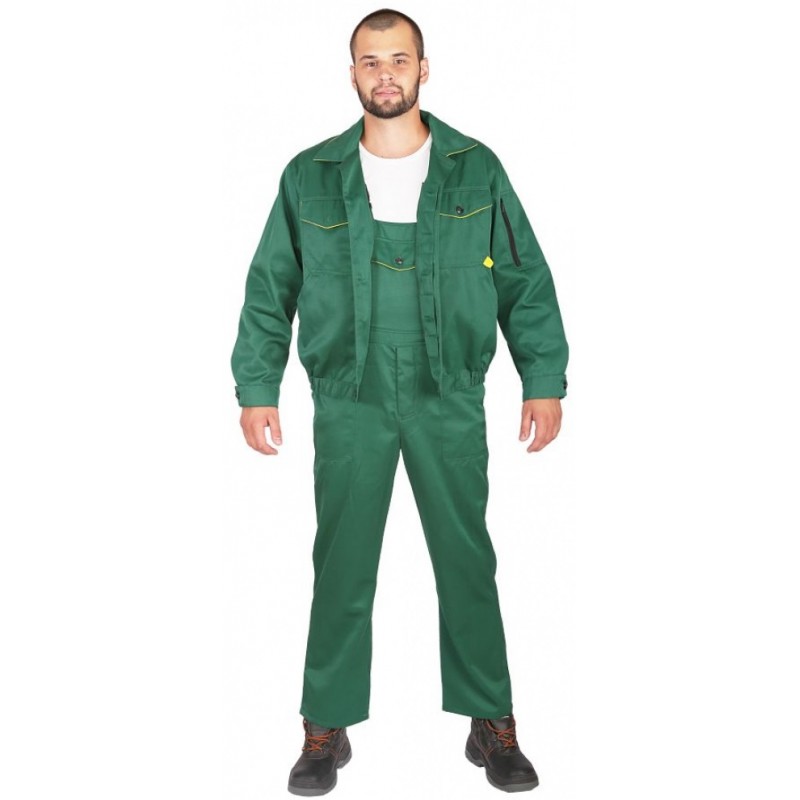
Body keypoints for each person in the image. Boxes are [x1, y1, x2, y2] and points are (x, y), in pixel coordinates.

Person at [231, 8, 569, 795]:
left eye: (399, 59)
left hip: (447, 389)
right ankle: (325, 726)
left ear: (424, 68)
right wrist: (257, 386)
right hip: (348, 394)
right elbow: (270, 287)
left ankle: (492, 721)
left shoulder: (476, 168)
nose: (386, 74)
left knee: (466, 559)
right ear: (352, 73)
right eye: (371, 61)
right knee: (342, 564)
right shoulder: (310, 174)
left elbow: (524, 278)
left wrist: (543, 377)